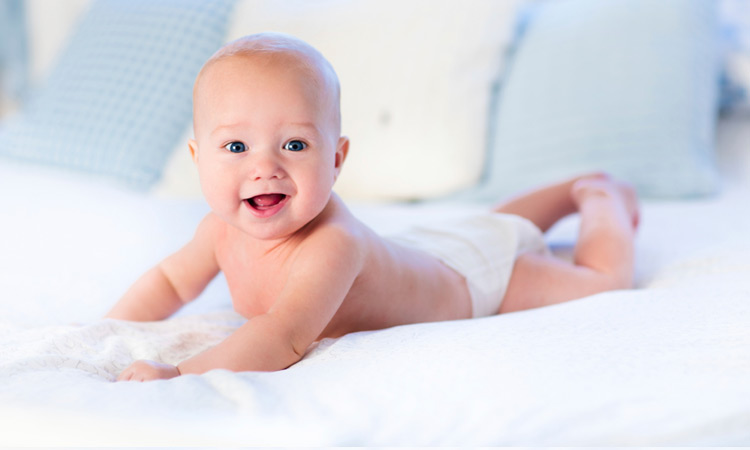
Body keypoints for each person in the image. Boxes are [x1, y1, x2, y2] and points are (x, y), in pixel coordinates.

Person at [106, 32, 639, 382]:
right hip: (423, 251)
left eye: (295, 145)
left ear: (336, 160)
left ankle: (600, 198)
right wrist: (105, 330)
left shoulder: (333, 244)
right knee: (496, 224)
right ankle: (571, 185)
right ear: (198, 159)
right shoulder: (217, 231)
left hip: (474, 283)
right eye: (236, 147)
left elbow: (284, 334)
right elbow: (171, 283)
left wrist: (178, 375)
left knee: (598, 280)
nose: (263, 168)